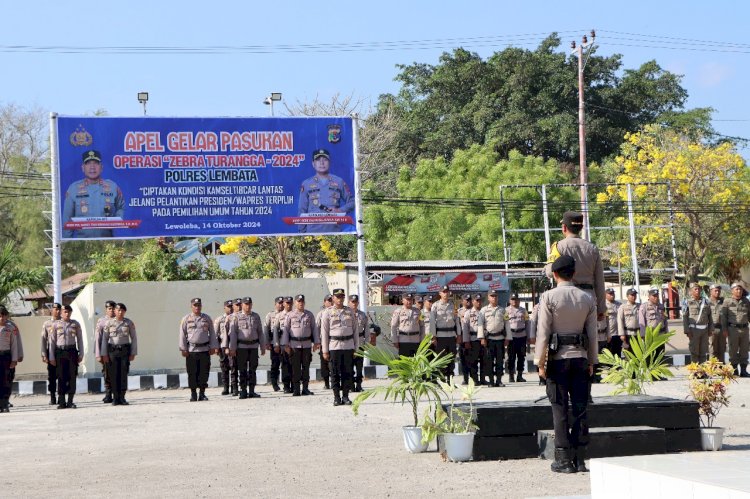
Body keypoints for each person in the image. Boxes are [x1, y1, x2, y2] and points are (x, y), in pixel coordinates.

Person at [534, 255, 598, 474]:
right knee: (580, 409)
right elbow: (592, 334)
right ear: (574, 273)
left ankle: (563, 459)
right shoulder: (587, 297)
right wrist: (592, 361)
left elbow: (543, 332)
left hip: (557, 360)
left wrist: (539, 362)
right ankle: (580, 459)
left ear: (554, 274)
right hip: (580, 358)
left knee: (559, 408)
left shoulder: (548, 297)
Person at [545, 211, 606, 320]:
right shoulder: (592, 249)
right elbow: (599, 281)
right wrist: (601, 309)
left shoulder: (558, 247)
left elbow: (549, 272)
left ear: (564, 227)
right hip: (588, 297)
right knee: (589, 334)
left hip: (565, 298)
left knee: (566, 332)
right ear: (581, 227)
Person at [62, 149, 125, 238]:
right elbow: (67, 220)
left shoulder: (112, 187)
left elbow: (122, 208)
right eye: (88, 163)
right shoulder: (73, 189)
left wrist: (116, 223)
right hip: (82, 244)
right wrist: (67, 244)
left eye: (96, 163)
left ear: (101, 167)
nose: (92, 167)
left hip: (108, 243)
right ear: (83, 168)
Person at [297, 148, 354, 233]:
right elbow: (302, 210)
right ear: (313, 164)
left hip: (335, 232)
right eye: (318, 160)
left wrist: (340, 210)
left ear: (329, 163)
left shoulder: (339, 181)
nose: (322, 163)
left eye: (325, 160)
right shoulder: (306, 184)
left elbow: (353, 202)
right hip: (312, 233)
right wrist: (302, 233)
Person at [320, 288, 360, 406]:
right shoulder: (327, 312)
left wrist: (356, 348)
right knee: (335, 373)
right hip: (334, 346)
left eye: (342, 296)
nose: (340, 299)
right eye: (337, 297)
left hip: (348, 346)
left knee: (347, 372)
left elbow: (355, 331)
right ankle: (337, 397)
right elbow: (324, 332)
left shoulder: (350, 312)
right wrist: (325, 350)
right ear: (333, 298)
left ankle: (346, 396)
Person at [178, 298, 218, 402]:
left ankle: (202, 393)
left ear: (201, 306)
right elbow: (182, 334)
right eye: (195, 305)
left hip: (204, 350)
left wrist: (213, 346)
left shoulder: (206, 318)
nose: (197, 307)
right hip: (191, 351)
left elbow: (212, 333)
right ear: (191, 306)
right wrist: (183, 348)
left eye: (199, 305)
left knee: (204, 373)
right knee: (192, 373)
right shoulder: (186, 319)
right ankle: (193, 393)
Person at [282, 294, 319, 396]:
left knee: (306, 367)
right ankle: (296, 389)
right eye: (298, 301)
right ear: (295, 303)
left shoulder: (309, 315)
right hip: (294, 345)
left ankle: (305, 388)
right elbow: (285, 330)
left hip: (306, 345)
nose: (300, 303)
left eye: (302, 301)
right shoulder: (290, 315)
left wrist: (316, 342)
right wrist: (285, 345)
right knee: (296, 368)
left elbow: (314, 329)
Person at [101, 303, 137, 406]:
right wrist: (104, 354)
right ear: (115, 311)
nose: (120, 312)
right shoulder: (109, 323)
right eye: (118, 310)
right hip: (112, 351)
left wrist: (133, 352)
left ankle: (122, 397)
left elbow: (134, 338)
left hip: (125, 351)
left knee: (123, 375)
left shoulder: (128, 323)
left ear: (125, 311)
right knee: (113, 375)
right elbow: (104, 339)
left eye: (122, 310)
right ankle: (115, 398)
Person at [229, 297, 265, 399]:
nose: (248, 306)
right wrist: (233, 348)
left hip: (253, 346)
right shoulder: (236, 317)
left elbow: (260, 332)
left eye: (249, 304)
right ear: (242, 305)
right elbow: (233, 334)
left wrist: (262, 346)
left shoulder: (256, 316)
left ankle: (252, 391)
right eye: (246, 304)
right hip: (242, 347)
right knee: (242, 370)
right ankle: (243, 391)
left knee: (253, 370)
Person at [48, 305, 84, 409]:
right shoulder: (55, 325)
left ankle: (70, 401)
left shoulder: (75, 324)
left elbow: (80, 340)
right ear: (61, 313)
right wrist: (51, 357)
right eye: (65, 312)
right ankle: (62, 401)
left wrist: (81, 353)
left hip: (72, 352)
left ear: (71, 313)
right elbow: (52, 341)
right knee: (61, 377)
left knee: (72, 376)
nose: (66, 314)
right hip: (60, 352)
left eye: (68, 312)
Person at [430, 285, 460, 383]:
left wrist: (458, 334)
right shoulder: (435, 306)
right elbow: (432, 322)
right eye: (443, 292)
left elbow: (457, 321)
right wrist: (433, 336)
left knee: (451, 358)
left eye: (447, 291)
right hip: (440, 336)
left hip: (451, 336)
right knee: (441, 359)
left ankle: (450, 380)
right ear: (440, 294)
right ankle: (442, 380)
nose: (446, 293)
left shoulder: (453, 305)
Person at [477, 290, 506, 387]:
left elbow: (507, 324)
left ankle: (499, 380)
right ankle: (491, 380)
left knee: (500, 361)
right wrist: (481, 338)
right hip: (489, 339)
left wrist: (508, 338)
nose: (494, 298)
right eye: (492, 296)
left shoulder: (502, 310)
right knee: (489, 361)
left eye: (495, 296)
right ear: (488, 298)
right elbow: (480, 325)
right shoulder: (483, 310)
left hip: (500, 338)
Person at [722, 282, 750, 377]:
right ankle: (734, 370)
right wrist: (725, 329)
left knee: (744, 350)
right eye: (737, 289)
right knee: (733, 350)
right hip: (732, 329)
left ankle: (743, 370)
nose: (739, 291)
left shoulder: (746, 301)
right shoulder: (727, 301)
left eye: (740, 289)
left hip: (745, 329)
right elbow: (724, 316)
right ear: (732, 291)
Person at [682, 283, 712, 364]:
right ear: (691, 291)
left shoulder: (706, 302)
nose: (697, 291)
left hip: (704, 330)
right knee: (694, 351)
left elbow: (710, 317)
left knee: (703, 351)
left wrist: (710, 330)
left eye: (699, 289)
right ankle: (695, 371)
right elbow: (685, 317)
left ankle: (702, 371)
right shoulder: (687, 302)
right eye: (695, 289)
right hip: (694, 330)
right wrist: (687, 331)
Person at [505, 293, 530, 383]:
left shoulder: (524, 311)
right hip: (511, 336)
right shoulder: (506, 311)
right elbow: (505, 324)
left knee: (521, 356)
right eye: (512, 299)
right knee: (511, 357)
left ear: (519, 300)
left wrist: (529, 336)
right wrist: (506, 337)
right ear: (510, 301)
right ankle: (511, 376)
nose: (514, 301)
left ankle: (519, 375)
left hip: (522, 336)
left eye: (516, 299)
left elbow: (527, 323)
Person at [95, 300, 116, 403]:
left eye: (113, 308)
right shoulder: (101, 321)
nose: (111, 310)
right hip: (106, 351)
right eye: (109, 308)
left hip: (117, 351)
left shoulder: (120, 320)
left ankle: (117, 394)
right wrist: (98, 354)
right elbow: (98, 338)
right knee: (107, 373)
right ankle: (108, 394)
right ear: (106, 309)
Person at [41, 302, 62, 405]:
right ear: (52, 310)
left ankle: (61, 396)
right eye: (55, 309)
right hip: (51, 352)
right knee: (52, 376)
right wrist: (44, 354)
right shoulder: (47, 324)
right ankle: (52, 396)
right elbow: (43, 340)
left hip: (62, 351)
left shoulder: (64, 322)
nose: (57, 311)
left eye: (59, 309)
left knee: (62, 375)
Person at [0, 307, 20, 413]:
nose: (1, 318)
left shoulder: (10, 328)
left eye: (3, 315)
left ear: (6, 316)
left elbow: (14, 345)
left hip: (6, 357)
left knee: (6, 381)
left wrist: (14, 359)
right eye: (0, 315)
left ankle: (4, 404)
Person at [391, 293, 424, 357]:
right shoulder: (398, 311)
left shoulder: (419, 312)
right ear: (402, 300)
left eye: (411, 299)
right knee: (404, 363)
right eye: (407, 299)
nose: (409, 301)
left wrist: (422, 339)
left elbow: (422, 326)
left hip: (416, 340)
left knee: (415, 362)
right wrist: (395, 340)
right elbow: (393, 326)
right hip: (403, 340)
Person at [348, 294, 369, 392]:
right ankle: (351, 385)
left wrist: (367, 343)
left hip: (360, 342)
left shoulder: (362, 315)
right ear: (349, 303)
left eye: (355, 302)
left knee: (359, 366)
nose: (354, 304)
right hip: (350, 343)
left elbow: (367, 330)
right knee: (349, 366)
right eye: (352, 302)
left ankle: (359, 385)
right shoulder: (346, 314)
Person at [214, 299, 236, 396]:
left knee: (234, 367)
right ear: (224, 308)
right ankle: (226, 387)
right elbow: (215, 334)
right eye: (228, 307)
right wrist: (216, 347)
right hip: (222, 346)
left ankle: (234, 388)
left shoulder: (235, 318)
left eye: (232, 306)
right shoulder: (219, 320)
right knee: (224, 367)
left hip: (233, 346)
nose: (230, 308)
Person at [274, 297, 295, 393]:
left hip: (294, 344)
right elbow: (275, 330)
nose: (288, 305)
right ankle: (286, 386)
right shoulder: (279, 316)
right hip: (283, 344)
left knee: (295, 366)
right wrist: (276, 344)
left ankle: (295, 385)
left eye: (290, 303)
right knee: (285, 366)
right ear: (284, 304)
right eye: (287, 303)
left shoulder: (295, 314)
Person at [461, 294, 483, 384]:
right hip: (473, 339)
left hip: (483, 339)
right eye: (476, 300)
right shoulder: (468, 313)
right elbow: (465, 328)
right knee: (473, 361)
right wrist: (466, 341)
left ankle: (482, 379)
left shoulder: (484, 311)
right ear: (473, 302)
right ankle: (474, 379)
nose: (478, 302)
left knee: (484, 360)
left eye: (479, 300)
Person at [265, 296, 285, 392]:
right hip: (274, 343)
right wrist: (267, 343)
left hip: (285, 343)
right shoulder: (270, 315)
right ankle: (274, 383)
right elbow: (266, 329)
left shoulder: (287, 314)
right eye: (279, 303)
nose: (281, 305)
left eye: (282, 303)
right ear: (275, 304)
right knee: (275, 364)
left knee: (286, 364)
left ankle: (286, 383)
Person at [316, 294, 333, 389]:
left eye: (331, 300)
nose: (330, 302)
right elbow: (317, 328)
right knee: (324, 364)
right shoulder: (321, 314)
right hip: (324, 342)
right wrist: (317, 341)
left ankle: (336, 381)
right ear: (324, 302)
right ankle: (326, 383)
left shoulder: (337, 312)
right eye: (328, 300)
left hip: (335, 341)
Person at [456, 294, 472, 384]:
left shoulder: (475, 311)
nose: (468, 301)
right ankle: (465, 378)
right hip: (462, 338)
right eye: (466, 299)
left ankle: (476, 378)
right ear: (462, 301)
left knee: (474, 359)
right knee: (464, 359)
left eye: (469, 299)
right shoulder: (458, 312)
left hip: (473, 337)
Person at [708, 284, 727, 362]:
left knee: (722, 349)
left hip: (722, 329)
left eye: (719, 291)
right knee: (712, 350)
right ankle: (713, 369)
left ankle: (721, 369)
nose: (717, 292)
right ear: (710, 292)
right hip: (712, 329)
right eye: (715, 291)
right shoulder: (706, 302)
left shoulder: (724, 302)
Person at [604, 289, 622, 358]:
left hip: (618, 333)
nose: (612, 295)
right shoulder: (604, 305)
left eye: (613, 294)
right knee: (609, 354)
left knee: (618, 353)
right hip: (609, 334)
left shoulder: (619, 305)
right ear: (605, 295)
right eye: (610, 294)